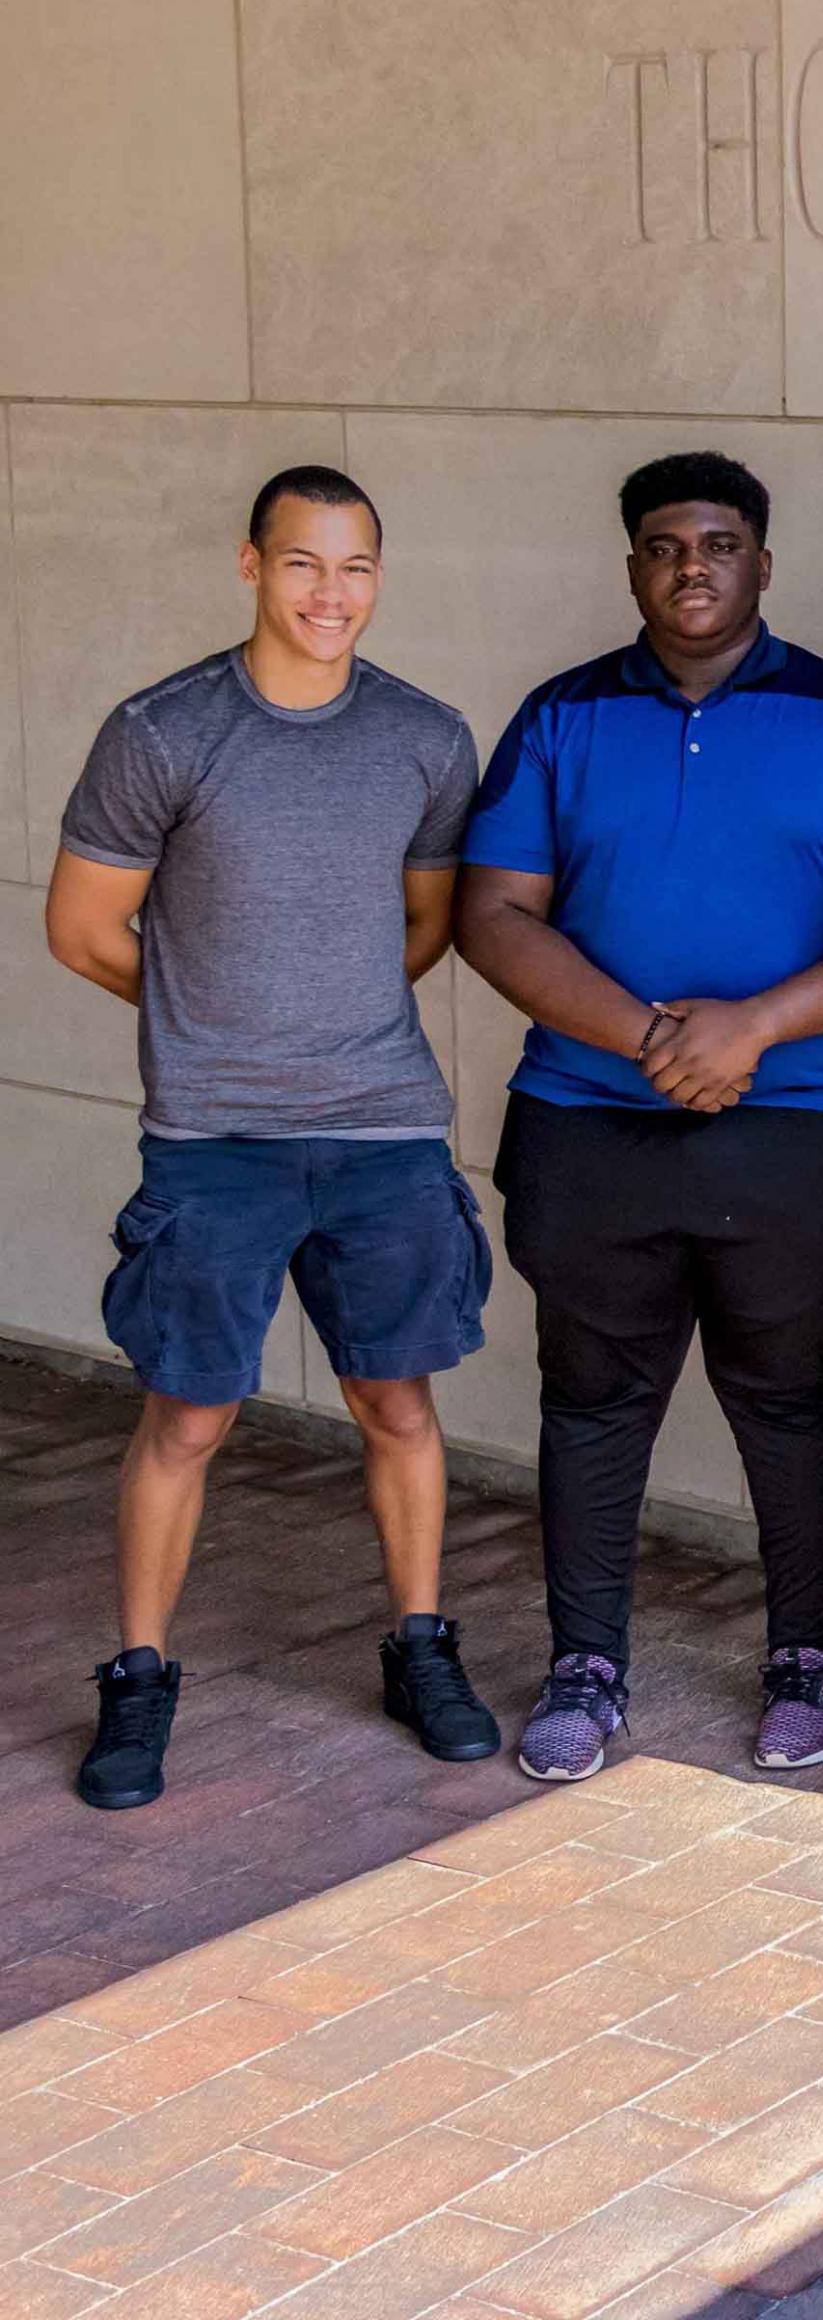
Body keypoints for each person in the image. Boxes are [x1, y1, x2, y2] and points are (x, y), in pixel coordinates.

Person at [47, 464, 499, 1808]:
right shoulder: (164, 731)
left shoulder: (423, 736)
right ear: (252, 566)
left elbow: (424, 925)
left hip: (383, 1128)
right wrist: (210, 1010)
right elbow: (81, 929)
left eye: (356, 568)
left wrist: (320, 1013)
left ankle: (420, 1647)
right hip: (216, 1137)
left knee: (396, 1401)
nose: (331, 594)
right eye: (304, 565)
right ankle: (136, 1681)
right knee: (188, 1414)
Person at [457, 451, 823, 1785]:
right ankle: (586, 1669)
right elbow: (494, 915)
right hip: (589, 1122)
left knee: (788, 1396)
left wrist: (750, 1029)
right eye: (665, 545)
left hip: (798, 1123)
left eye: (719, 544)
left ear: (763, 563)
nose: (692, 567)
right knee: (592, 1402)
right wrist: (654, 1039)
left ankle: (805, 1662)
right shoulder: (562, 716)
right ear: (634, 565)